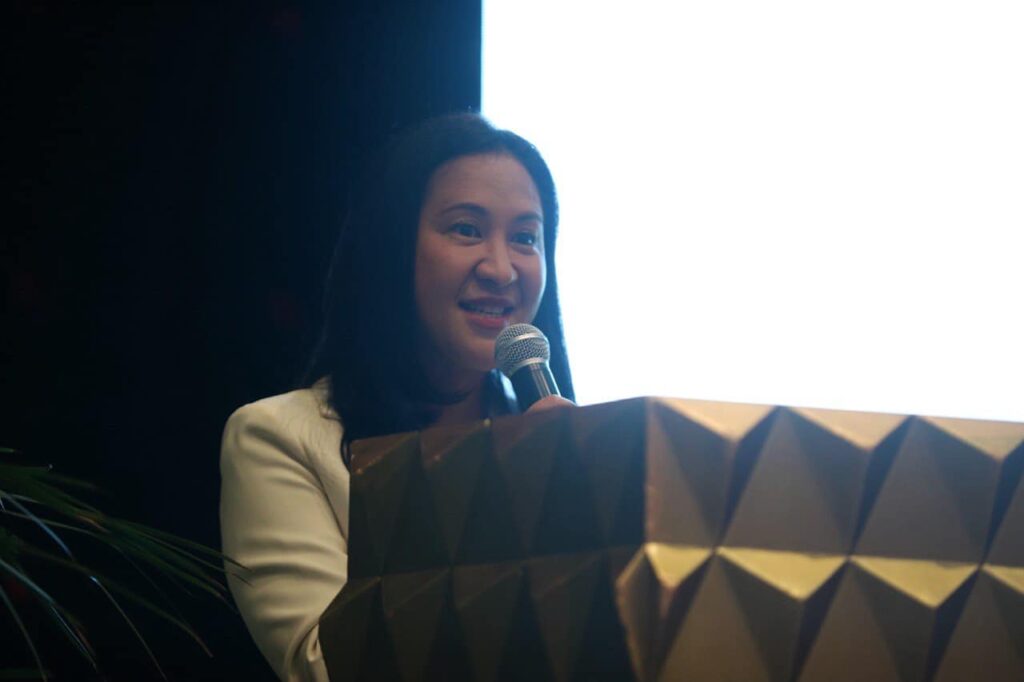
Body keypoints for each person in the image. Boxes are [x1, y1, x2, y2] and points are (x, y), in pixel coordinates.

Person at [219, 112, 575, 682]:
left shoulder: (560, 442)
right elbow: (328, 666)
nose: (501, 268)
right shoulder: (277, 438)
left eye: (526, 238)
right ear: (391, 248)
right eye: (466, 229)